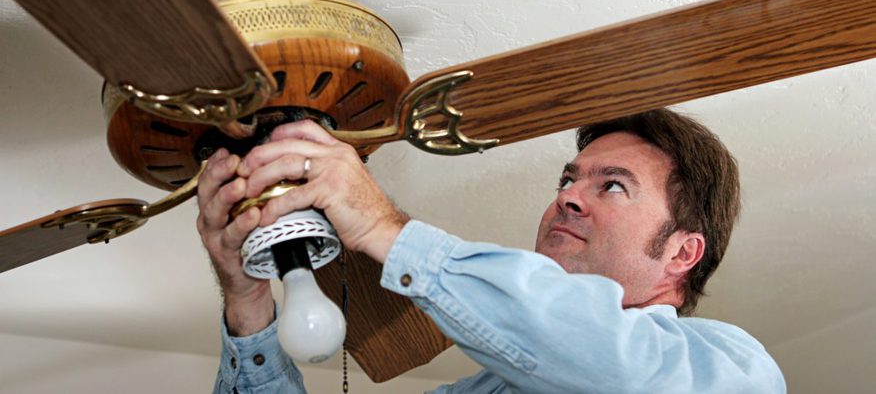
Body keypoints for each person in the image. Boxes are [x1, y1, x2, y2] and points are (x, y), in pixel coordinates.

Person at [198, 108, 786, 393]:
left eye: (611, 185)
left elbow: (620, 369)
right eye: (567, 180)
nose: (568, 198)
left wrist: (384, 229)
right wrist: (246, 297)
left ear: (683, 253)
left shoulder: (728, 367)